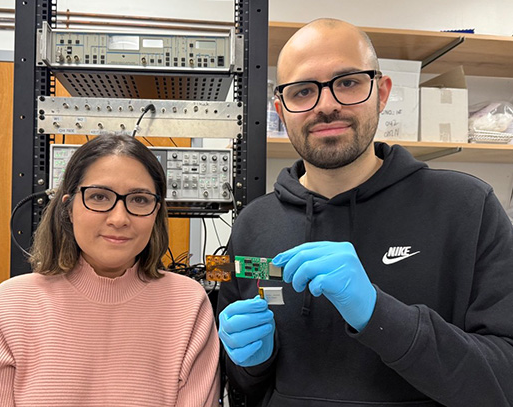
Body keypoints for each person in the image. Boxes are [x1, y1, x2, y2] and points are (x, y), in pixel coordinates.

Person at [217, 18, 513, 407]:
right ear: (281, 109)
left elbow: (503, 380)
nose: (327, 105)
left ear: (382, 91)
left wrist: (380, 315)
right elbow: (243, 388)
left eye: (348, 82)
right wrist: (249, 365)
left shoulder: (468, 207)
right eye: (303, 91)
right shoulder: (253, 224)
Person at [0, 135, 220, 406]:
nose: (119, 218)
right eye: (99, 196)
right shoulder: (10, 306)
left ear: (156, 213)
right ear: (69, 208)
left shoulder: (188, 304)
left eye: (140, 200)